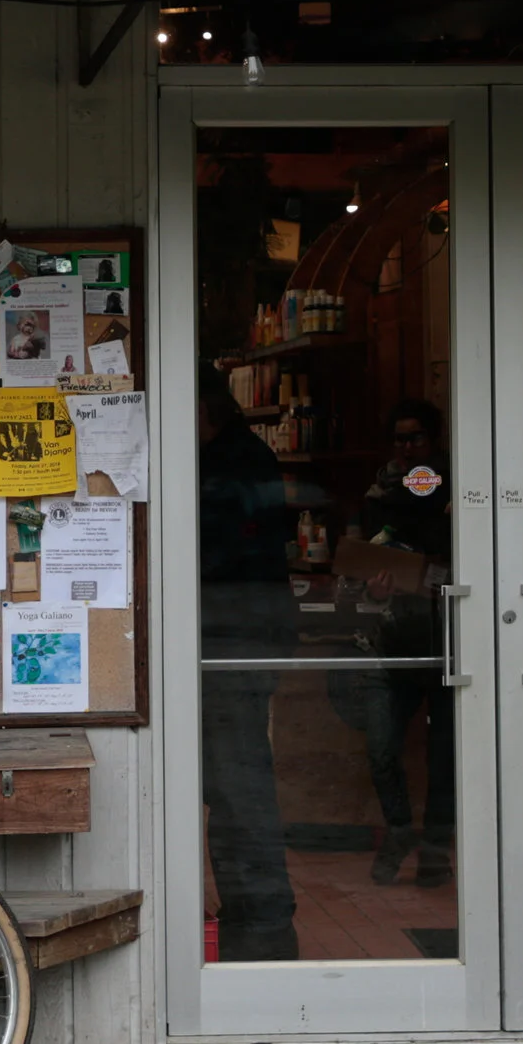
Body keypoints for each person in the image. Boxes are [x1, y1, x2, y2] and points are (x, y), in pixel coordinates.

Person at [197, 362, 300, 960]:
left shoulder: (233, 464)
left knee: (237, 786)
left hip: (235, 643)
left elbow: (219, 555)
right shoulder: (240, 457)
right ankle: (254, 919)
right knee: (232, 784)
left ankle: (261, 929)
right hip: (234, 639)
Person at [339, 400, 457, 887]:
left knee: (445, 758)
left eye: (417, 439)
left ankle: (435, 851)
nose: (408, 449)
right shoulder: (378, 493)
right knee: (383, 748)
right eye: (400, 440)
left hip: (450, 639)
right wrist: (373, 586)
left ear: (435, 441)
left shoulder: (461, 488)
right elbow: (360, 562)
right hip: (391, 640)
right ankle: (400, 830)